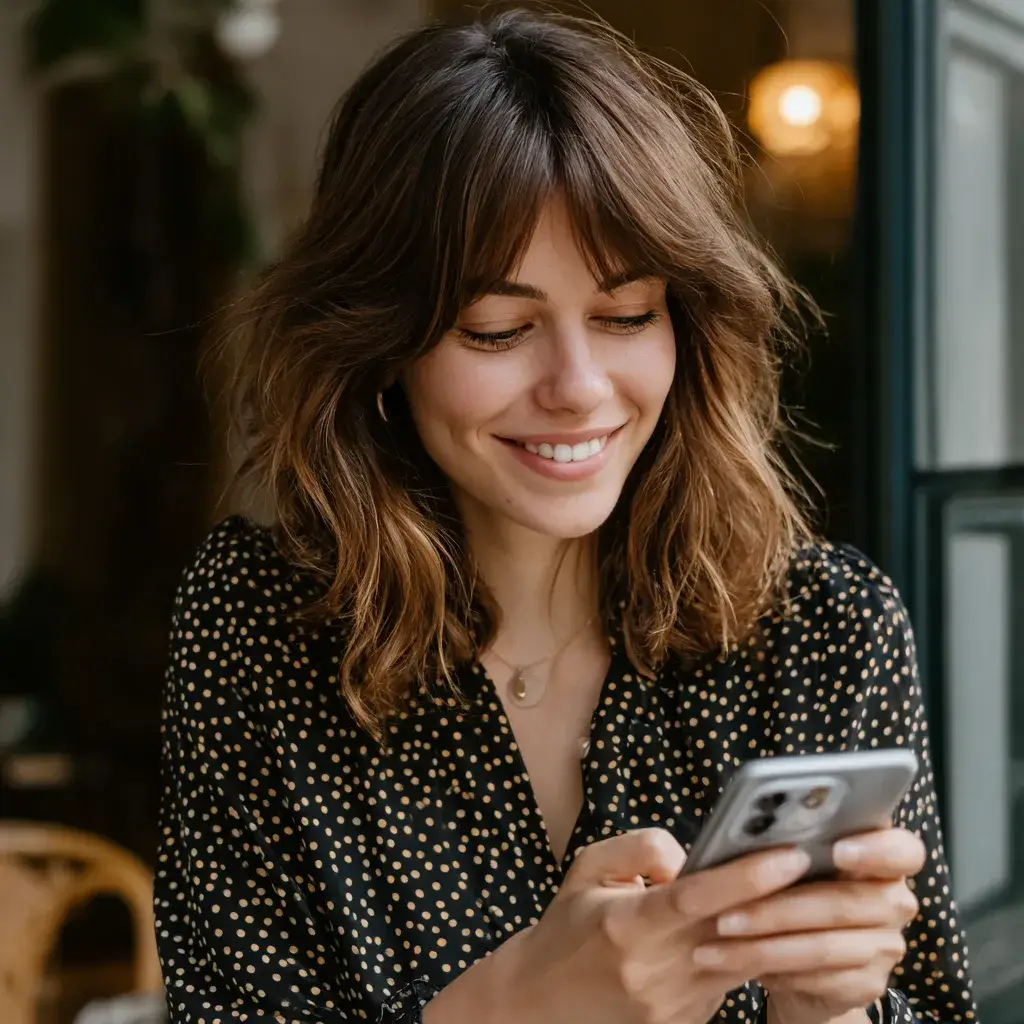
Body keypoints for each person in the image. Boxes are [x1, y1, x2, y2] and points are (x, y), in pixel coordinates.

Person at [153, 9, 977, 1024]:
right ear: (380, 346)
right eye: (497, 328)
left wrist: (826, 1011)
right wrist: (513, 1007)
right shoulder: (258, 623)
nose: (579, 388)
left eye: (626, 316)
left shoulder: (825, 629)